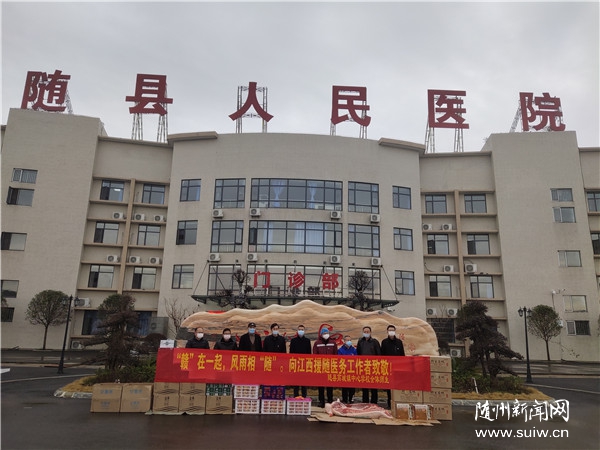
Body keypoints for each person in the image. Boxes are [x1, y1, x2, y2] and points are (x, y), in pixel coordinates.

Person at [381, 324, 405, 408]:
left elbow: (402, 355)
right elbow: (382, 355)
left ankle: (398, 403)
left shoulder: (399, 342)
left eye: (392, 330)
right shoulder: (384, 342)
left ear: (395, 331)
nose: (391, 332)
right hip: (388, 368)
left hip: (397, 368)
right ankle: (389, 404)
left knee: (397, 386)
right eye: (390, 330)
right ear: (387, 331)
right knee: (389, 387)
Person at [357, 325, 381, 404]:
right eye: (365, 332)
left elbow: (379, 354)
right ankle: (365, 402)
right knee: (365, 386)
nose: (366, 333)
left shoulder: (375, 342)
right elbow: (358, 353)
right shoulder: (360, 341)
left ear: (370, 332)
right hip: (363, 366)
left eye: (367, 332)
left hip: (373, 367)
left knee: (374, 386)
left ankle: (374, 403)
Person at [313, 327, 337, 407]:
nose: (325, 335)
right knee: (321, 385)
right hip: (320, 367)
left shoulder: (333, 343)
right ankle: (321, 401)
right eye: (324, 333)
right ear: (321, 334)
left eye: (327, 333)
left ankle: (330, 400)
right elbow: (315, 355)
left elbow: (335, 355)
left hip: (330, 367)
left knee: (330, 385)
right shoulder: (317, 343)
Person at [289, 324, 311, 398]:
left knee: (304, 382)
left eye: (302, 330)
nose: (301, 331)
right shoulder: (293, 341)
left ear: (304, 331)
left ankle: (304, 396)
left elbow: (309, 353)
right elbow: (291, 353)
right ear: (297, 331)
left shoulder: (307, 341)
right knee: (296, 382)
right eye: (299, 329)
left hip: (304, 364)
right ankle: (296, 396)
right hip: (296, 364)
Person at [337, 334, 357, 403]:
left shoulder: (354, 350)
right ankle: (345, 399)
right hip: (344, 371)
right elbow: (339, 361)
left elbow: (357, 360)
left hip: (352, 371)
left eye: (350, 340)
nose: (349, 341)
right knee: (344, 386)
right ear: (344, 341)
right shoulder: (340, 350)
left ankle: (351, 399)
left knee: (352, 386)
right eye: (347, 340)